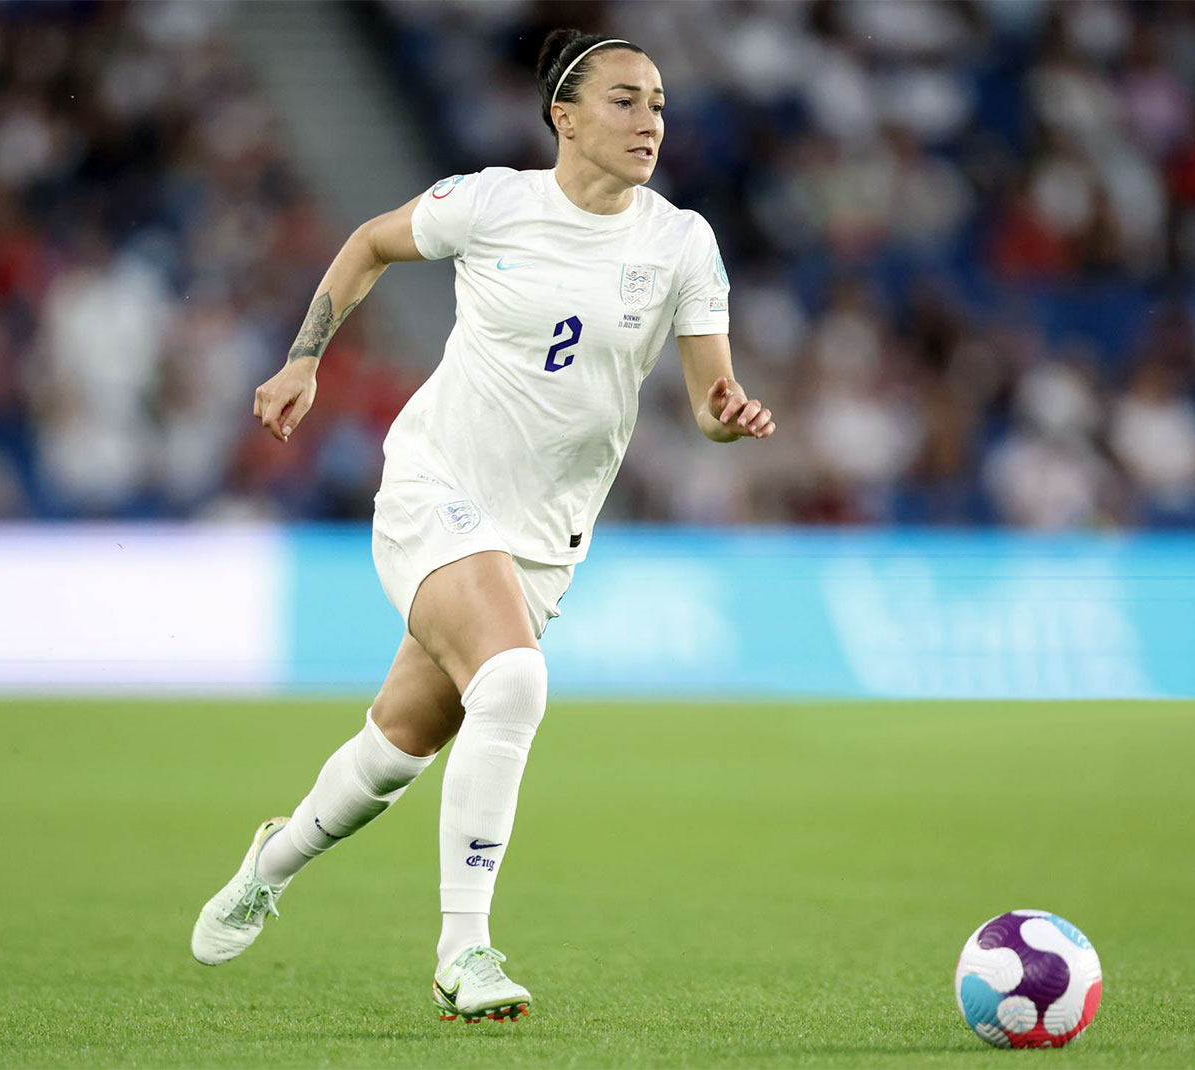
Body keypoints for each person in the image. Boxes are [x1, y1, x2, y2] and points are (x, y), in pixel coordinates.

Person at [190, 29, 776, 1023]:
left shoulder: (681, 242)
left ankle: (271, 859)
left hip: (545, 538)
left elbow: (712, 393)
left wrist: (725, 415)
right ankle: (464, 949)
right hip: (436, 483)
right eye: (627, 101)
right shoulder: (494, 203)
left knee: (396, 751)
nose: (651, 123)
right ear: (566, 115)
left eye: (661, 104)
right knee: (513, 678)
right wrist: (304, 358)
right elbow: (370, 242)